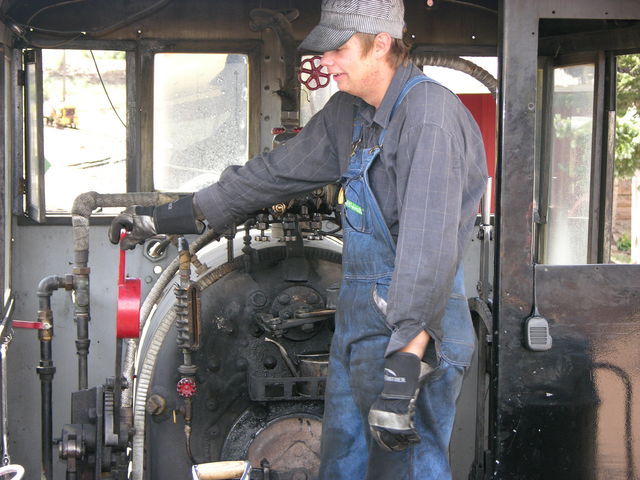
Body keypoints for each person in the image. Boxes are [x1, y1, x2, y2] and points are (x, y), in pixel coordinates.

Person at [109, 0, 488, 478]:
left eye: (338, 48)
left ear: (383, 44)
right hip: (359, 327)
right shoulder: (350, 112)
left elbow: (427, 250)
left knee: (405, 469)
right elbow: (273, 174)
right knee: (342, 463)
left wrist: (403, 370)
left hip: (414, 329)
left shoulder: (429, 117)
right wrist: (173, 216)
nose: (325, 60)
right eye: (323, 49)